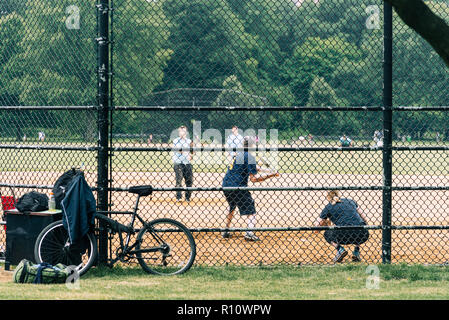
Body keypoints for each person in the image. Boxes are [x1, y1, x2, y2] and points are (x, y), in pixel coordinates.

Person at [222, 136, 279, 241]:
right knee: (251, 209)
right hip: (238, 187)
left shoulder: (239, 154)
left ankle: (226, 230)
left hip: (226, 185)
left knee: (232, 206)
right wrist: (270, 175)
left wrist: (270, 171)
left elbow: (255, 167)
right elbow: (254, 179)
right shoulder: (249, 156)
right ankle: (249, 232)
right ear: (252, 145)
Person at [314, 190, 369, 263]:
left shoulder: (328, 207)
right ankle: (356, 251)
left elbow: (317, 227)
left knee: (327, 233)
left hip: (344, 235)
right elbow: (364, 218)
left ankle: (340, 249)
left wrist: (326, 223)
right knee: (358, 225)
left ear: (328, 197)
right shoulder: (351, 201)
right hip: (363, 234)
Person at [172, 126, 193, 202]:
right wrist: (187, 154)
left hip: (187, 163)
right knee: (179, 180)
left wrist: (192, 155)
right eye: (180, 131)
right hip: (178, 163)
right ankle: (179, 197)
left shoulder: (189, 141)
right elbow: (180, 150)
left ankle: (187, 197)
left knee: (189, 181)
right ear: (179, 132)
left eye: (183, 131)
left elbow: (192, 152)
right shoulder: (176, 141)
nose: (182, 132)